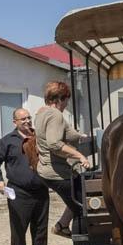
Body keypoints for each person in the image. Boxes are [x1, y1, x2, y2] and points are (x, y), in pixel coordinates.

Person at [0, 107, 58, 245]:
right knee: (18, 228)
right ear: (15, 122)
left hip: (41, 189)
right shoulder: (8, 141)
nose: (27, 121)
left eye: (28, 118)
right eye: (23, 119)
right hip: (19, 192)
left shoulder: (40, 137)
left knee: (40, 227)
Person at [34, 81, 91, 237]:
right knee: (82, 206)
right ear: (60, 99)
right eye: (66, 100)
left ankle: (62, 226)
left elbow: (66, 132)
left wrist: (81, 136)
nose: (67, 104)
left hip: (45, 170)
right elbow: (54, 143)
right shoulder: (55, 115)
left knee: (76, 198)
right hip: (56, 172)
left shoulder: (41, 113)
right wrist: (80, 156)